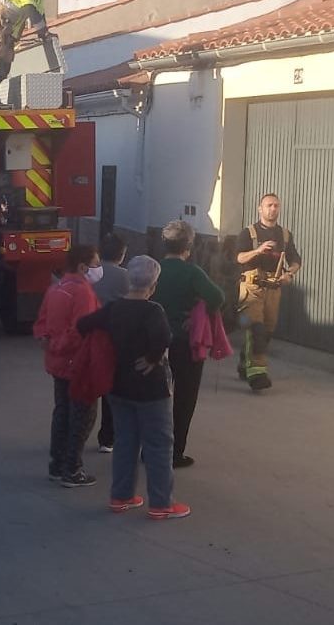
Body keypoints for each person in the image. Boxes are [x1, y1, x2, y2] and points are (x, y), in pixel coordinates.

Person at [77, 256, 190, 520]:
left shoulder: (114, 308)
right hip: (151, 389)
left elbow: (84, 325)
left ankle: (121, 495)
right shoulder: (153, 311)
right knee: (158, 444)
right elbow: (163, 337)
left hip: (118, 385)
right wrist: (152, 358)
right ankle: (161, 502)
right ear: (154, 285)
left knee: (126, 440)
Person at [151, 221, 224, 469]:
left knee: (153, 398)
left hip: (155, 342)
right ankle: (175, 453)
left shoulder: (155, 269)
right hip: (184, 342)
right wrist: (199, 313)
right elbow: (217, 297)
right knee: (184, 397)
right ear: (189, 247)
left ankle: (148, 448)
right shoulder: (192, 273)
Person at [33, 244, 102, 488]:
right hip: (77, 363)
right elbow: (80, 329)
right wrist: (60, 345)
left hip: (58, 364)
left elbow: (41, 322)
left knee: (62, 411)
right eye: (95, 264)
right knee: (82, 414)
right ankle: (72, 469)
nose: (98, 269)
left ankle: (57, 463)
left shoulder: (56, 288)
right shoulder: (83, 292)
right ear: (83, 267)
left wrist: (48, 343)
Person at [235, 193, 301, 391]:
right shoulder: (248, 233)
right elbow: (239, 258)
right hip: (251, 288)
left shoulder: (285, 235)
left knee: (267, 331)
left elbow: (296, 260)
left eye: (276, 206)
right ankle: (258, 375)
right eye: (269, 205)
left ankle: (245, 363)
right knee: (257, 329)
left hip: (273, 289)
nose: (273, 209)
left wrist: (289, 273)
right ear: (260, 208)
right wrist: (258, 250)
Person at [91, 233, 130, 454]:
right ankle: (107, 437)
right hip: (115, 337)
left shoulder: (89, 274)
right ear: (122, 254)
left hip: (90, 334)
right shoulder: (126, 276)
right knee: (112, 388)